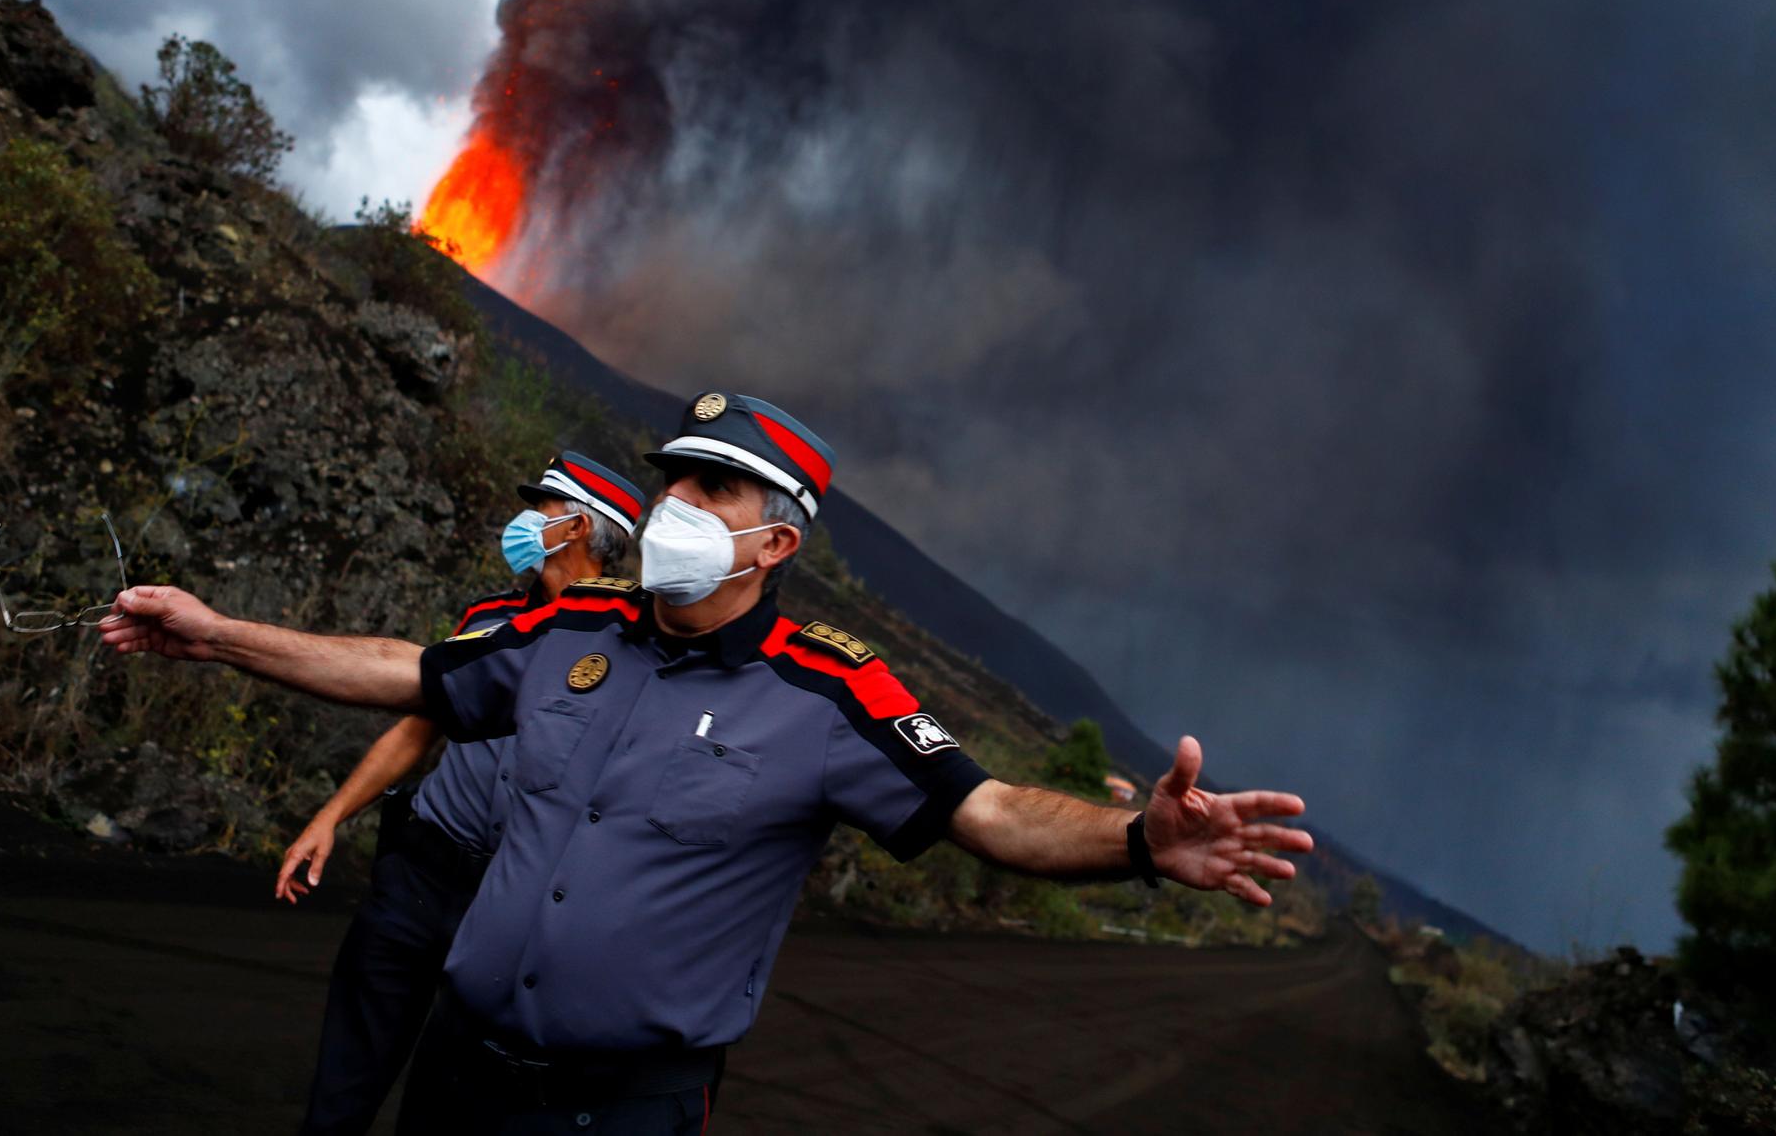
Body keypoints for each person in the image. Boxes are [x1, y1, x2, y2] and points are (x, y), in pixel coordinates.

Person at [102, 392, 1314, 1135]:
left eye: (711, 486)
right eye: (670, 474)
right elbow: (408, 673)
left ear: (774, 537)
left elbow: (984, 809)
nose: (670, 500)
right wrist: (218, 636)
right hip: (457, 1074)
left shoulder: (829, 685)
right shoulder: (568, 630)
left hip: (617, 1111)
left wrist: (1137, 845)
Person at [284, 450, 645, 1135]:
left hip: (509, 906)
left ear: (572, 530)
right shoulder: (486, 616)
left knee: (455, 1103)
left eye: (538, 511)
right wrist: (331, 815)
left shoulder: (630, 650)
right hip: (417, 875)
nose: (520, 523)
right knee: (343, 1082)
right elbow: (420, 727)